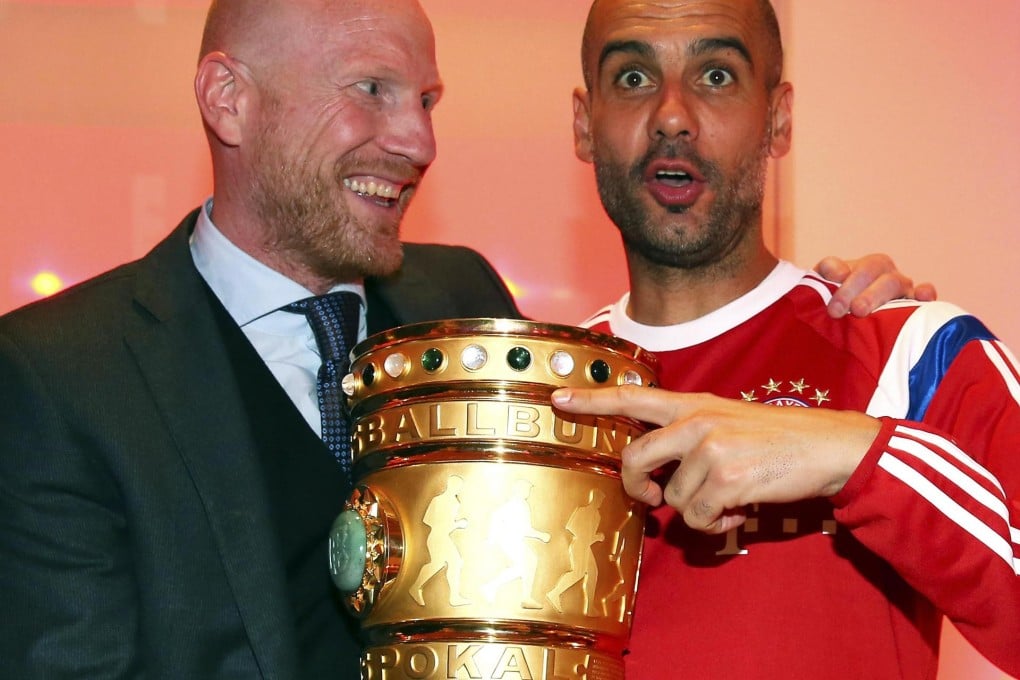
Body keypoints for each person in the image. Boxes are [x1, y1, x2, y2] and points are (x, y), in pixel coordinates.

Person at [0, 0, 934, 678]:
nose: (416, 140)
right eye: (372, 91)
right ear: (229, 99)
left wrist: (849, 323)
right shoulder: (60, 375)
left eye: (428, 99)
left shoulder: (467, 303)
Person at [550, 1, 1020, 678]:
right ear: (583, 124)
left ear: (779, 119)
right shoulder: (545, 398)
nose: (672, 115)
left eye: (716, 75)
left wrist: (852, 453)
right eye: (632, 78)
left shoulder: (913, 352)